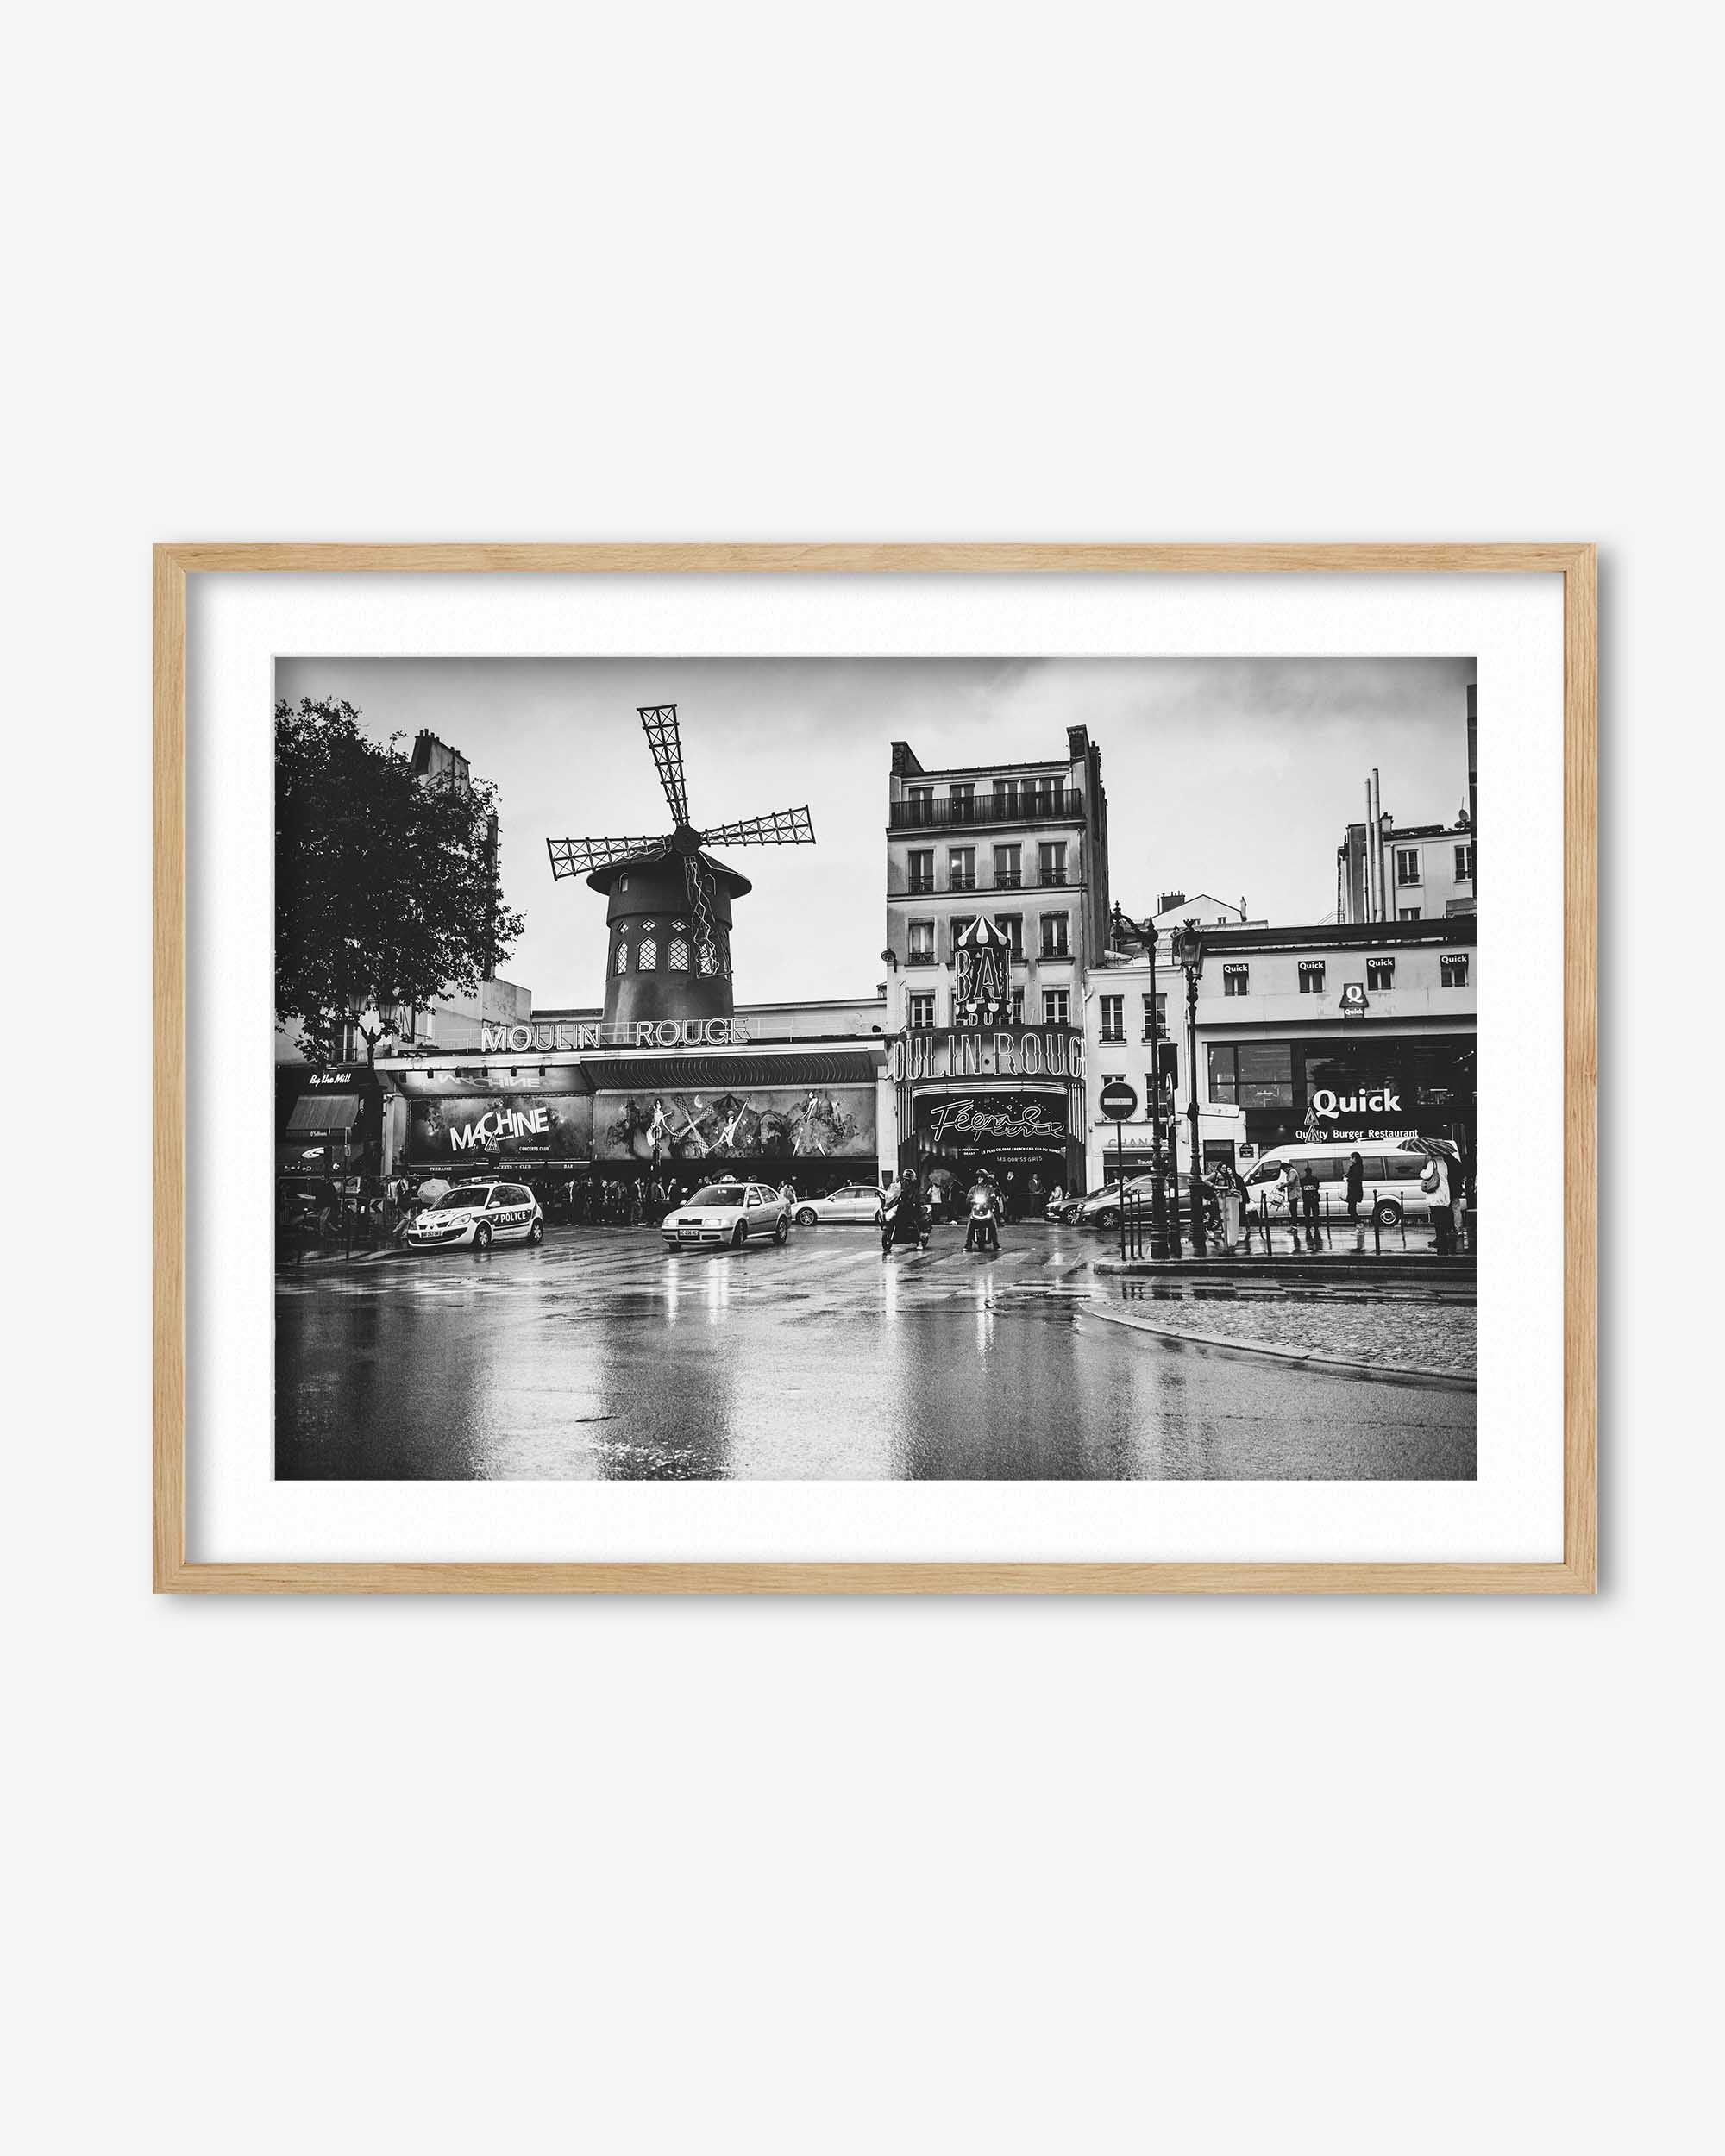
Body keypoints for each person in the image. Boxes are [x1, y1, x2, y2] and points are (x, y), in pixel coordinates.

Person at [882, 1168, 928, 1255]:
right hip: (903, 1205)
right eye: (905, 1179)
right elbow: (897, 1192)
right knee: (896, 1216)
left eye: (908, 1179)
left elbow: (918, 1194)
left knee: (913, 1220)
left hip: (913, 1205)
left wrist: (914, 1200)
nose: (906, 1181)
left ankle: (919, 1241)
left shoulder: (915, 1185)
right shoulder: (901, 1184)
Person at [1423, 1148, 1454, 1253]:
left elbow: (1426, 1175)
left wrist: (1423, 1170)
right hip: (1445, 1193)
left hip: (1436, 1194)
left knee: (1437, 1218)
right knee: (1443, 1217)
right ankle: (1442, 1238)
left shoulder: (1432, 1162)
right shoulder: (1444, 1163)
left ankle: (1440, 1239)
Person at [964, 1172, 1001, 1254]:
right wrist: (971, 1200)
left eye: (981, 1177)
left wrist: (990, 1199)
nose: (979, 1179)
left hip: (986, 1208)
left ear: (985, 1179)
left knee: (993, 1223)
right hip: (976, 1209)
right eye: (978, 1177)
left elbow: (993, 1196)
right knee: (970, 1223)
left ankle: (996, 1243)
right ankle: (968, 1244)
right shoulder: (974, 1188)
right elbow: (968, 1197)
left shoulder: (989, 1188)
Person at [1346, 1150, 1366, 1250]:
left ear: (1355, 1158)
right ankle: (1359, 1227)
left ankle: (1360, 1227)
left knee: (1351, 1210)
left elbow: (1355, 1178)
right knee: (1351, 1209)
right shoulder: (1356, 1167)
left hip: (1355, 1191)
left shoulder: (1357, 1168)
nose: (1350, 1159)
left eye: (1351, 1158)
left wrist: (1348, 1179)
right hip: (1353, 1191)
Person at [1300, 1163, 1322, 1250]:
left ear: (1305, 1172)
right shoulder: (1315, 1179)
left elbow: (1302, 1189)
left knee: (1307, 1213)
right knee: (1316, 1213)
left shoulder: (1303, 1180)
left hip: (1306, 1199)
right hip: (1314, 1198)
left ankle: (1308, 1226)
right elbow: (1317, 1187)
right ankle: (1316, 1225)